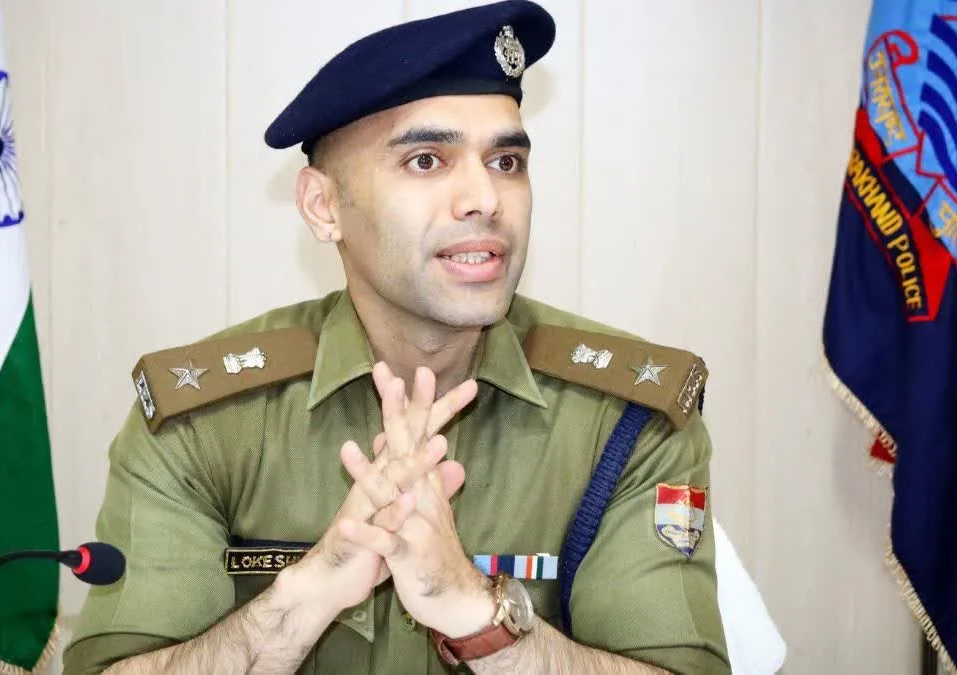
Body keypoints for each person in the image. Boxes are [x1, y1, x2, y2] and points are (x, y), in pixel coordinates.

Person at [63, 1, 729, 673]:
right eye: (427, 160)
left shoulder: (625, 418)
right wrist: (304, 598)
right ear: (323, 206)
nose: (485, 199)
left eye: (506, 161)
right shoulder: (207, 419)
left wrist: (476, 612)